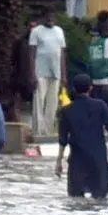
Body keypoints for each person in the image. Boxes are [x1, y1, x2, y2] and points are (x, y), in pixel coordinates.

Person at [56, 72, 108, 199]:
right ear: (90, 87)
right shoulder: (100, 105)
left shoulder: (66, 111)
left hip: (77, 164)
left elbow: (63, 140)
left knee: (76, 200)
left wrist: (59, 162)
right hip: (98, 162)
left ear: (74, 88)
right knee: (100, 201)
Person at [26, 10, 66, 138]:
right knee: (39, 101)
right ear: (43, 17)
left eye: (52, 16)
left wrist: (64, 75)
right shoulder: (36, 31)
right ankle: (38, 131)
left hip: (56, 72)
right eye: (48, 16)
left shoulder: (59, 31)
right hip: (40, 72)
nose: (50, 19)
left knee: (53, 102)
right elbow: (31, 54)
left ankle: (48, 131)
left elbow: (62, 54)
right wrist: (32, 74)